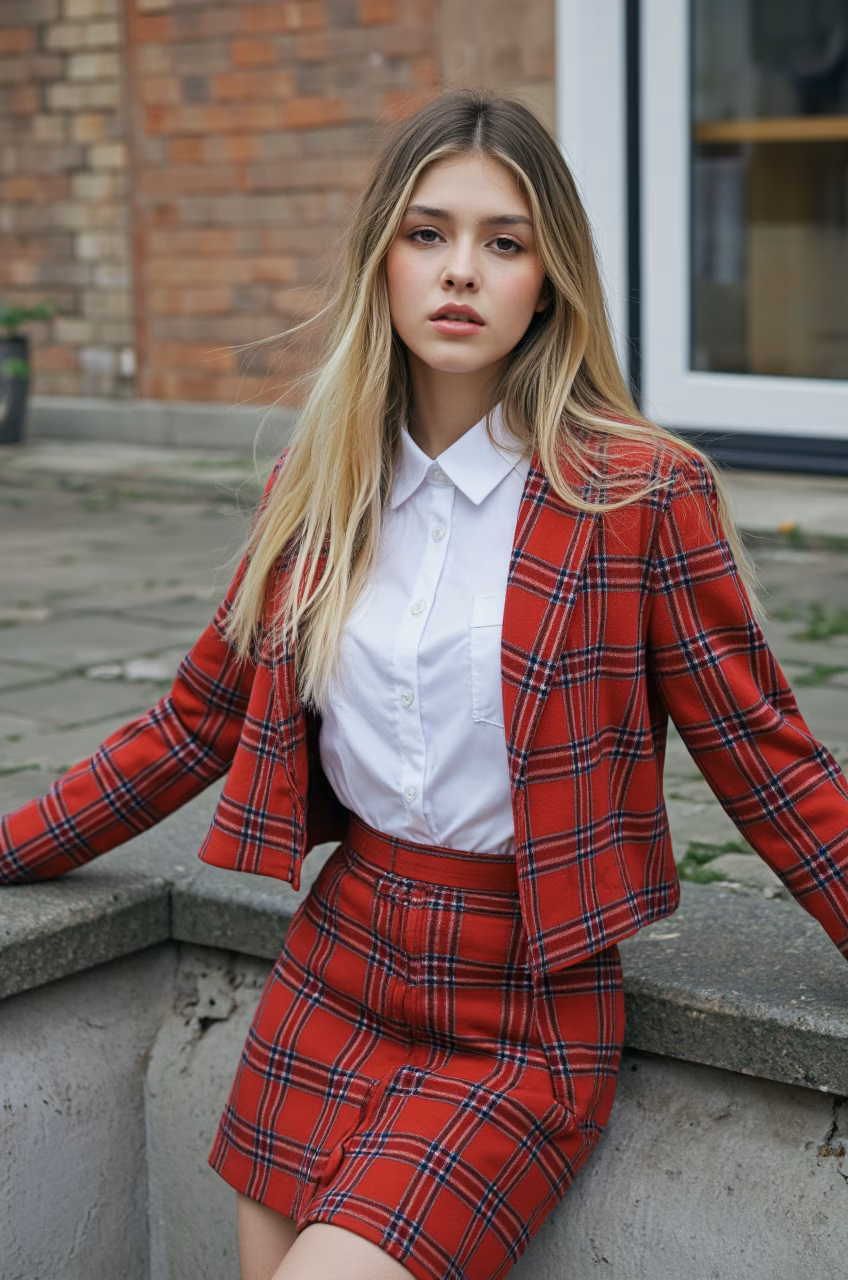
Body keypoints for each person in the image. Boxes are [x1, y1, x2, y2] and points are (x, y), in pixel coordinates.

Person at [2, 89, 847, 1280]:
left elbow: (767, 759)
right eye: (425, 234)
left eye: (502, 242)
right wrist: (10, 843)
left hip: (523, 1002)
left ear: (547, 278)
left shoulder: (638, 497)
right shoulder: (319, 486)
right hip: (337, 964)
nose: (461, 271)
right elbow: (193, 722)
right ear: (380, 264)